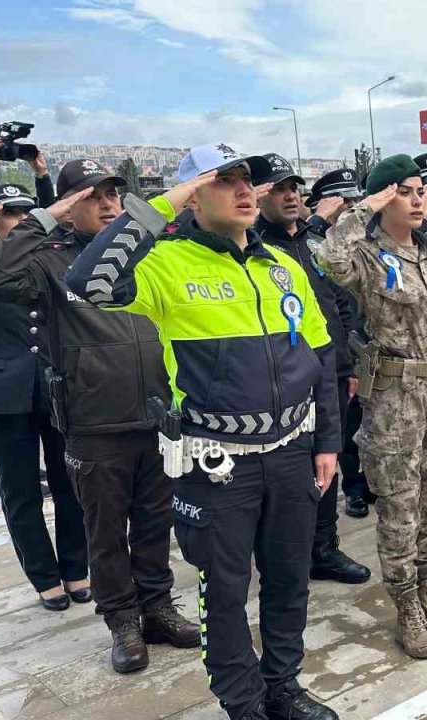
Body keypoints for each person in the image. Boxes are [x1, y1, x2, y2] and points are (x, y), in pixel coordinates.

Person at [65, 142, 342, 720]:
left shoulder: (281, 265)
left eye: (250, 181)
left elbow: (319, 356)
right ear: (193, 195)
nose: (246, 191)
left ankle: (283, 687)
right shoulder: (165, 264)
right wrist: (166, 200)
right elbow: (87, 283)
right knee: (225, 591)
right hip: (218, 463)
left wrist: (327, 443)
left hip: (292, 453)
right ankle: (244, 704)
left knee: (290, 580)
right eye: (225, 181)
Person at [0, 159, 200, 673]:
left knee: (154, 522)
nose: (108, 206)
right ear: (68, 206)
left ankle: (156, 608)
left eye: (113, 196)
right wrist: (47, 214)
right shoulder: (48, 259)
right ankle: (122, 622)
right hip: (94, 419)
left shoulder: (142, 252)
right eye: (92, 198)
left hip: (156, 410)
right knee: (103, 530)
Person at [316, 154, 427, 661]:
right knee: (400, 507)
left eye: (420, 191)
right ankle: (406, 605)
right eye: (404, 192)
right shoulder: (365, 257)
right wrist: (364, 204)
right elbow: (329, 258)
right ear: (385, 197)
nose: (417, 199)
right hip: (395, 399)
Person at [254, 154, 371, 586]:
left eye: (294, 189)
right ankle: (288, 553)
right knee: (287, 472)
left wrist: (350, 363)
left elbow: (339, 302)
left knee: (328, 460)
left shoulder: (311, 242)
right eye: (280, 189)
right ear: (261, 195)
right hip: (283, 378)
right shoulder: (256, 246)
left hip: (330, 374)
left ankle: (324, 547)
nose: (290, 197)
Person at [0, 183, 88, 612]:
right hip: (1, 394)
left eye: (29, 214)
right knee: (21, 490)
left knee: (71, 483)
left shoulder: (50, 255)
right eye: (12, 214)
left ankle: (76, 567)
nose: (23, 223)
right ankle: (44, 576)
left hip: (55, 385)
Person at [308, 168, 372, 519]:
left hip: (361, 346)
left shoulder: (362, 241)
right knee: (343, 433)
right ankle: (354, 491)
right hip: (328, 355)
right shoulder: (313, 243)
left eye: (354, 200)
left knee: (366, 425)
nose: (350, 207)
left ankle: (368, 482)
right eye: (342, 201)